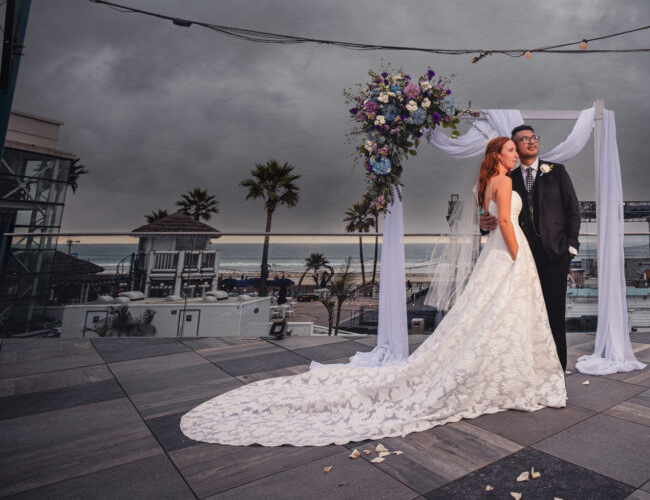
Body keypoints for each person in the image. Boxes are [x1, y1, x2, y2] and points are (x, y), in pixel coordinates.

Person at [179, 137, 566, 446]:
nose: (517, 154)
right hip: (509, 254)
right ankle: (512, 375)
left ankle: (505, 371)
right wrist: (518, 256)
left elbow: (491, 219)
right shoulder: (501, 181)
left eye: (517, 149)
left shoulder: (489, 183)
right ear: (496, 155)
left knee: (495, 316)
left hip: (499, 253)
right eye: (511, 149)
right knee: (500, 314)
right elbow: (500, 220)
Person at [481, 125, 581, 371]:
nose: (531, 142)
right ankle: (528, 367)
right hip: (519, 255)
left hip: (555, 255)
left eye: (533, 137)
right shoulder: (508, 177)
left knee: (554, 314)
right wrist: (482, 223)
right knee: (522, 313)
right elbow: (494, 214)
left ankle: (557, 368)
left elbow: (573, 211)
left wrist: (571, 247)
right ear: (514, 147)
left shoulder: (557, 171)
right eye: (523, 140)